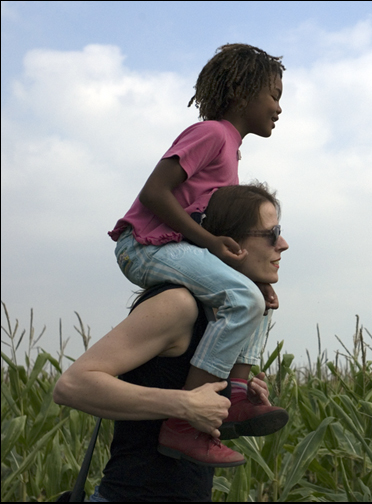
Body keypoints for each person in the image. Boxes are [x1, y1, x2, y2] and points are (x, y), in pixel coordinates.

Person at [106, 43, 285, 464]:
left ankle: (236, 395)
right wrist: (208, 244)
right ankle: (185, 423)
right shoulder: (211, 134)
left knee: (256, 298)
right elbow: (153, 194)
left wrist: (254, 277)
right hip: (143, 247)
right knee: (241, 297)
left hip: (174, 247)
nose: (279, 108)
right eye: (274, 95)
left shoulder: (231, 152)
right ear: (243, 93)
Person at [54, 183, 290, 501]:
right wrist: (184, 405)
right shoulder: (178, 305)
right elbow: (72, 386)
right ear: (231, 239)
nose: (284, 244)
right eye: (272, 233)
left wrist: (232, 398)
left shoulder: (227, 317)